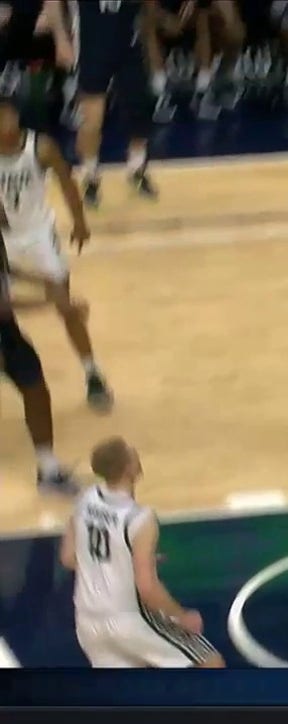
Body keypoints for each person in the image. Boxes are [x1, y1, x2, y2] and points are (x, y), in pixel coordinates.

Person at [61, 437, 224, 668]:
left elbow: (69, 558)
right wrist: (182, 616)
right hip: (129, 619)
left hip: (88, 622)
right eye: (133, 453)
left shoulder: (84, 500)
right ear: (129, 468)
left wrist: (125, 560)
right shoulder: (139, 519)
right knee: (211, 663)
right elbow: (147, 587)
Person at [0, 93, 112, 411]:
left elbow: (66, 182)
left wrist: (79, 222)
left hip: (37, 237)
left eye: (6, 115)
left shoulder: (41, 147)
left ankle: (92, 373)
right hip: (3, 240)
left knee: (65, 306)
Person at [1, 231, 81, 495]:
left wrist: (42, 280)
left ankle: (48, 469)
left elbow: (6, 269)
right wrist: (53, 301)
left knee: (35, 388)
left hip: (5, 332)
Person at [70, 0, 160, 207]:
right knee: (92, 120)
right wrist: (62, 39)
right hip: (93, 43)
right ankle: (90, 177)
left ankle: (136, 169)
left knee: (140, 107)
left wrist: (148, 33)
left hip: (128, 42)